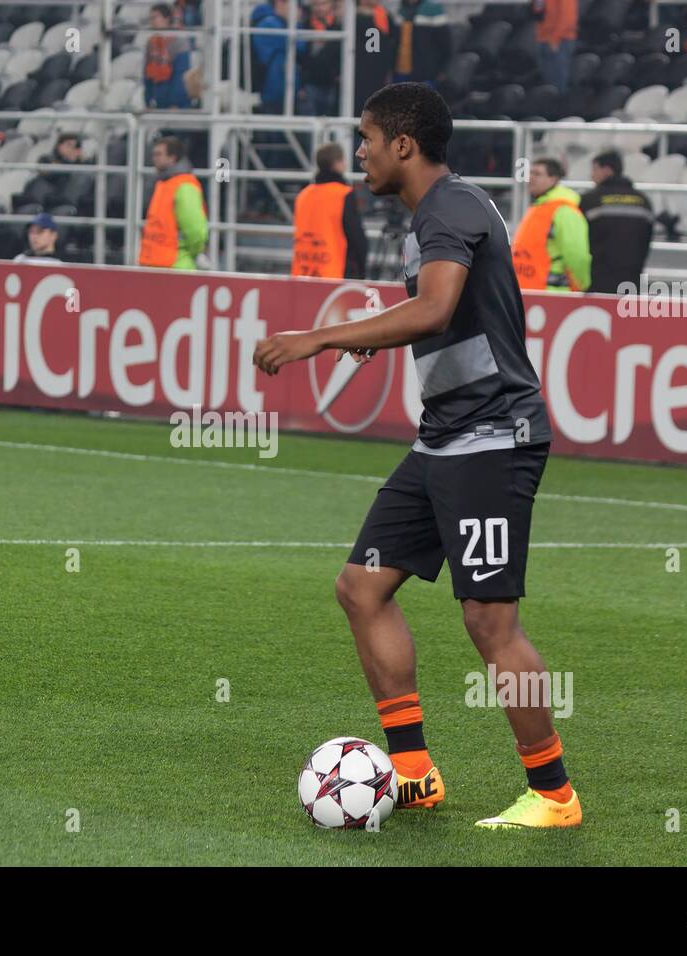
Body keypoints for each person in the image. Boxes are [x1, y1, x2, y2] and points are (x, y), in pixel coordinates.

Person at [252, 82, 580, 830]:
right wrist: (378, 340)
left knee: (490, 622)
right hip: (443, 440)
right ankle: (412, 771)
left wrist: (322, 337)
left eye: (366, 137)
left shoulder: (451, 209)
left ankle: (554, 794)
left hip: (493, 440)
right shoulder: (429, 217)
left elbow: (434, 306)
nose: (360, 150)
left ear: (403, 144)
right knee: (361, 588)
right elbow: (442, 319)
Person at [577, 150, 653, 293]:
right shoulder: (643, 200)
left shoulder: (590, 200)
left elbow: (579, 239)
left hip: (597, 279)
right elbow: (646, 240)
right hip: (632, 280)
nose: (591, 176)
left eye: (594, 170)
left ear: (606, 170)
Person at [512, 157, 591, 292]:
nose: (530, 178)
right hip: (530, 291)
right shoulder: (539, 207)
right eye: (530, 173)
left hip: (552, 293)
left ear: (553, 179)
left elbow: (577, 255)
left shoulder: (564, 211)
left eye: (537, 174)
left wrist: (582, 285)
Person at [292, 143, 368, 279]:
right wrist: (361, 272)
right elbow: (357, 238)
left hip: (302, 273)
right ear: (338, 163)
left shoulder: (302, 195)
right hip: (334, 275)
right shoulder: (344, 194)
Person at [138, 136, 207, 269]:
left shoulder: (184, 186)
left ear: (172, 158)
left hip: (176, 264)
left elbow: (195, 230)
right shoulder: (164, 183)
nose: (154, 159)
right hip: (159, 262)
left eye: (159, 154)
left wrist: (194, 252)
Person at [250, 0, 306, 113]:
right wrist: (295, 23)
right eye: (295, 6)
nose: (299, 11)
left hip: (279, 89)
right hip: (274, 90)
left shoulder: (275, 23)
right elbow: (300, 45)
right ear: (280, 3)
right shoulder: (269, 24)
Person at [144, 4, 193, 109]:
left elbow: (180, 76)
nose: (152, 22)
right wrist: (147, 100)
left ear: (166, 19)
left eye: (155, 17)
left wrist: (175, 103)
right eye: (150, 18)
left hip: (177, 104)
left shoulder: (180, 42)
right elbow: (147, 75)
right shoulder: (151, 43)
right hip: (158, 100)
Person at [298, 0, 342, 116]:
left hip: (332, 85)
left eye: (323, 4)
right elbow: (299, 58)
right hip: (309, 85)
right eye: (316, 4)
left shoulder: (340, 27)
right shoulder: (304, 26)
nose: (319, 8)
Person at [532, 0, 577, 95]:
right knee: (547, 79)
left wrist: (554, 38)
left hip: (560, 40)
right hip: (543, 39)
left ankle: (558, 105)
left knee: (557, 79)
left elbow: (567, 18)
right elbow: (538, 14)